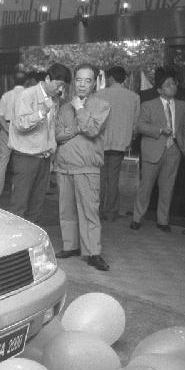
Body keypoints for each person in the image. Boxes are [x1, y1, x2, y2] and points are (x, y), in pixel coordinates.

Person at [53, 63, 111, 271]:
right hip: (64, 166)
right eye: (78, 80)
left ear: (94, 83)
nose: (82, 85)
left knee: (89, 212)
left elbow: (92, 129)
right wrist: (76, 127)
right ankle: (71, 246)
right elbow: (57, 135)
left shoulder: (102, 106)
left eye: (87, 80)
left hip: (87, 167)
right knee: (66, 210)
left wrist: (79, 109)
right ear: (73, 81)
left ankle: (93, 252)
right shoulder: (63, 106)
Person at [9, 63, 71, 224]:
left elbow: (50, 129)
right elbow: (21, 124)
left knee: (37, 204)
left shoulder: (55, 100)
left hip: (44, 157)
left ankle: (31, 243)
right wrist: (42, 111)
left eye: (63, 87)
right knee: (20, 203)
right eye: (58, 85)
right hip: (26, 157)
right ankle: (17, 241)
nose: (59, 90)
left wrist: (53, 150)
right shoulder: (27, 95)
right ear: (48, 78)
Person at [130, 68, 185, 232]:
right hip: (152, 150)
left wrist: (184, 147)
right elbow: (139, 126)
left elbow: (184, 129)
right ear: (159, 90)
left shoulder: (182, 105)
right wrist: (160, 130)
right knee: (145, 186)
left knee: (167, 187)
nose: (172, 86)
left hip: (173, 151)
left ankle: (163, 221)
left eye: (173, 84)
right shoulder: (148, 105)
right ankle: (137, 218)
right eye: (168, 84)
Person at [96, 66, 140, 221]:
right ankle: (111, 212)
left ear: (111, 78)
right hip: (120, 144)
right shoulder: (134, 97)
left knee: (100, 179)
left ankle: (98, 210)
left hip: (101, 142)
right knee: (114, 179)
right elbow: (135, 124)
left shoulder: (100, 94)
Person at [0, 71, 28, 197]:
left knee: (2, 160)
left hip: (6, 127)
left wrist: (6, 129)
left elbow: (0, 115)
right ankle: (16, 190)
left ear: (12, 80)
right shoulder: (29, 95)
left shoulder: (6, 95)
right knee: (20, 162)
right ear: (26, 82)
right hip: (23, 130)